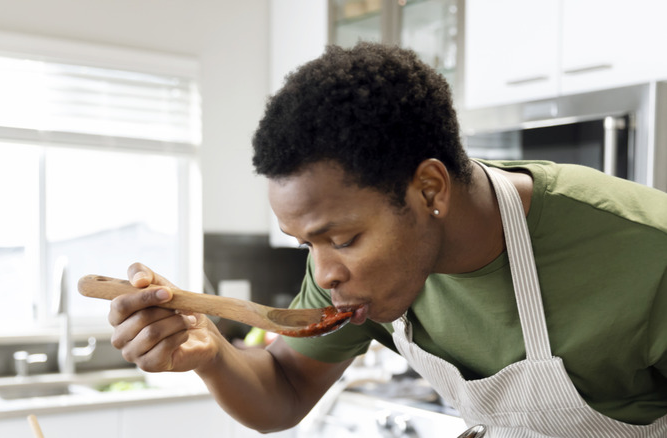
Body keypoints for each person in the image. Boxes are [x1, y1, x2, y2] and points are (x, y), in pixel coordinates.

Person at [107, 42, 667, 436]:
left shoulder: (646, 251)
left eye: (343, 239)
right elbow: (283, 390)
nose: (324, 273)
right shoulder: (346, 270)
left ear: (429, 189)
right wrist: (210, 355)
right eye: (307, 244)